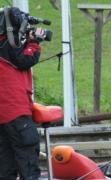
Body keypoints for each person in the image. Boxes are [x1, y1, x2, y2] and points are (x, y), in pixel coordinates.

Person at [0, 17, 46, 179]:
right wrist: (35, 42)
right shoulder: (11, 46)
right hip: (16, 111)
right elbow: (25, 59)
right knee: (27, 157)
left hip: (3, 116)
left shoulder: (5, 44)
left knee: (5, 164)